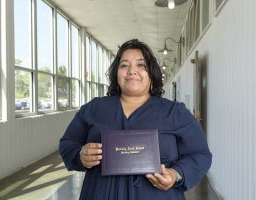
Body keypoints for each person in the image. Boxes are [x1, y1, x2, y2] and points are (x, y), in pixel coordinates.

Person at [59, 39, 212, 200]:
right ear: (116, 73)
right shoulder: (94, 109)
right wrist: (80, 156)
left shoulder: (174, 112)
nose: (132, 71)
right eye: (124, 65)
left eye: (141, 65)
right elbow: (68, 143)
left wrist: (176, 174)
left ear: (152, 73)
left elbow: (200, 154)